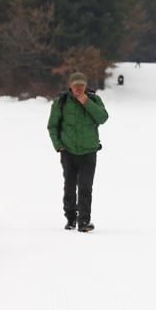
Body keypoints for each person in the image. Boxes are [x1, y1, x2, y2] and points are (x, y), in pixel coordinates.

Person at [47, 71, 109, 232]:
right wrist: (58, 145)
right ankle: (70, 218)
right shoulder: (61, 102)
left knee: (85, 187)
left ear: (86, 85)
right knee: (69, 186)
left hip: (89, 151)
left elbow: (103, 118)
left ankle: (84, 221)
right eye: (76, 86)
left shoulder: (94, 99)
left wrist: (87, 102)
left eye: (82, 85)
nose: (79, 88)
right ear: (70, 86)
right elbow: (52, 126)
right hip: (68, 151)